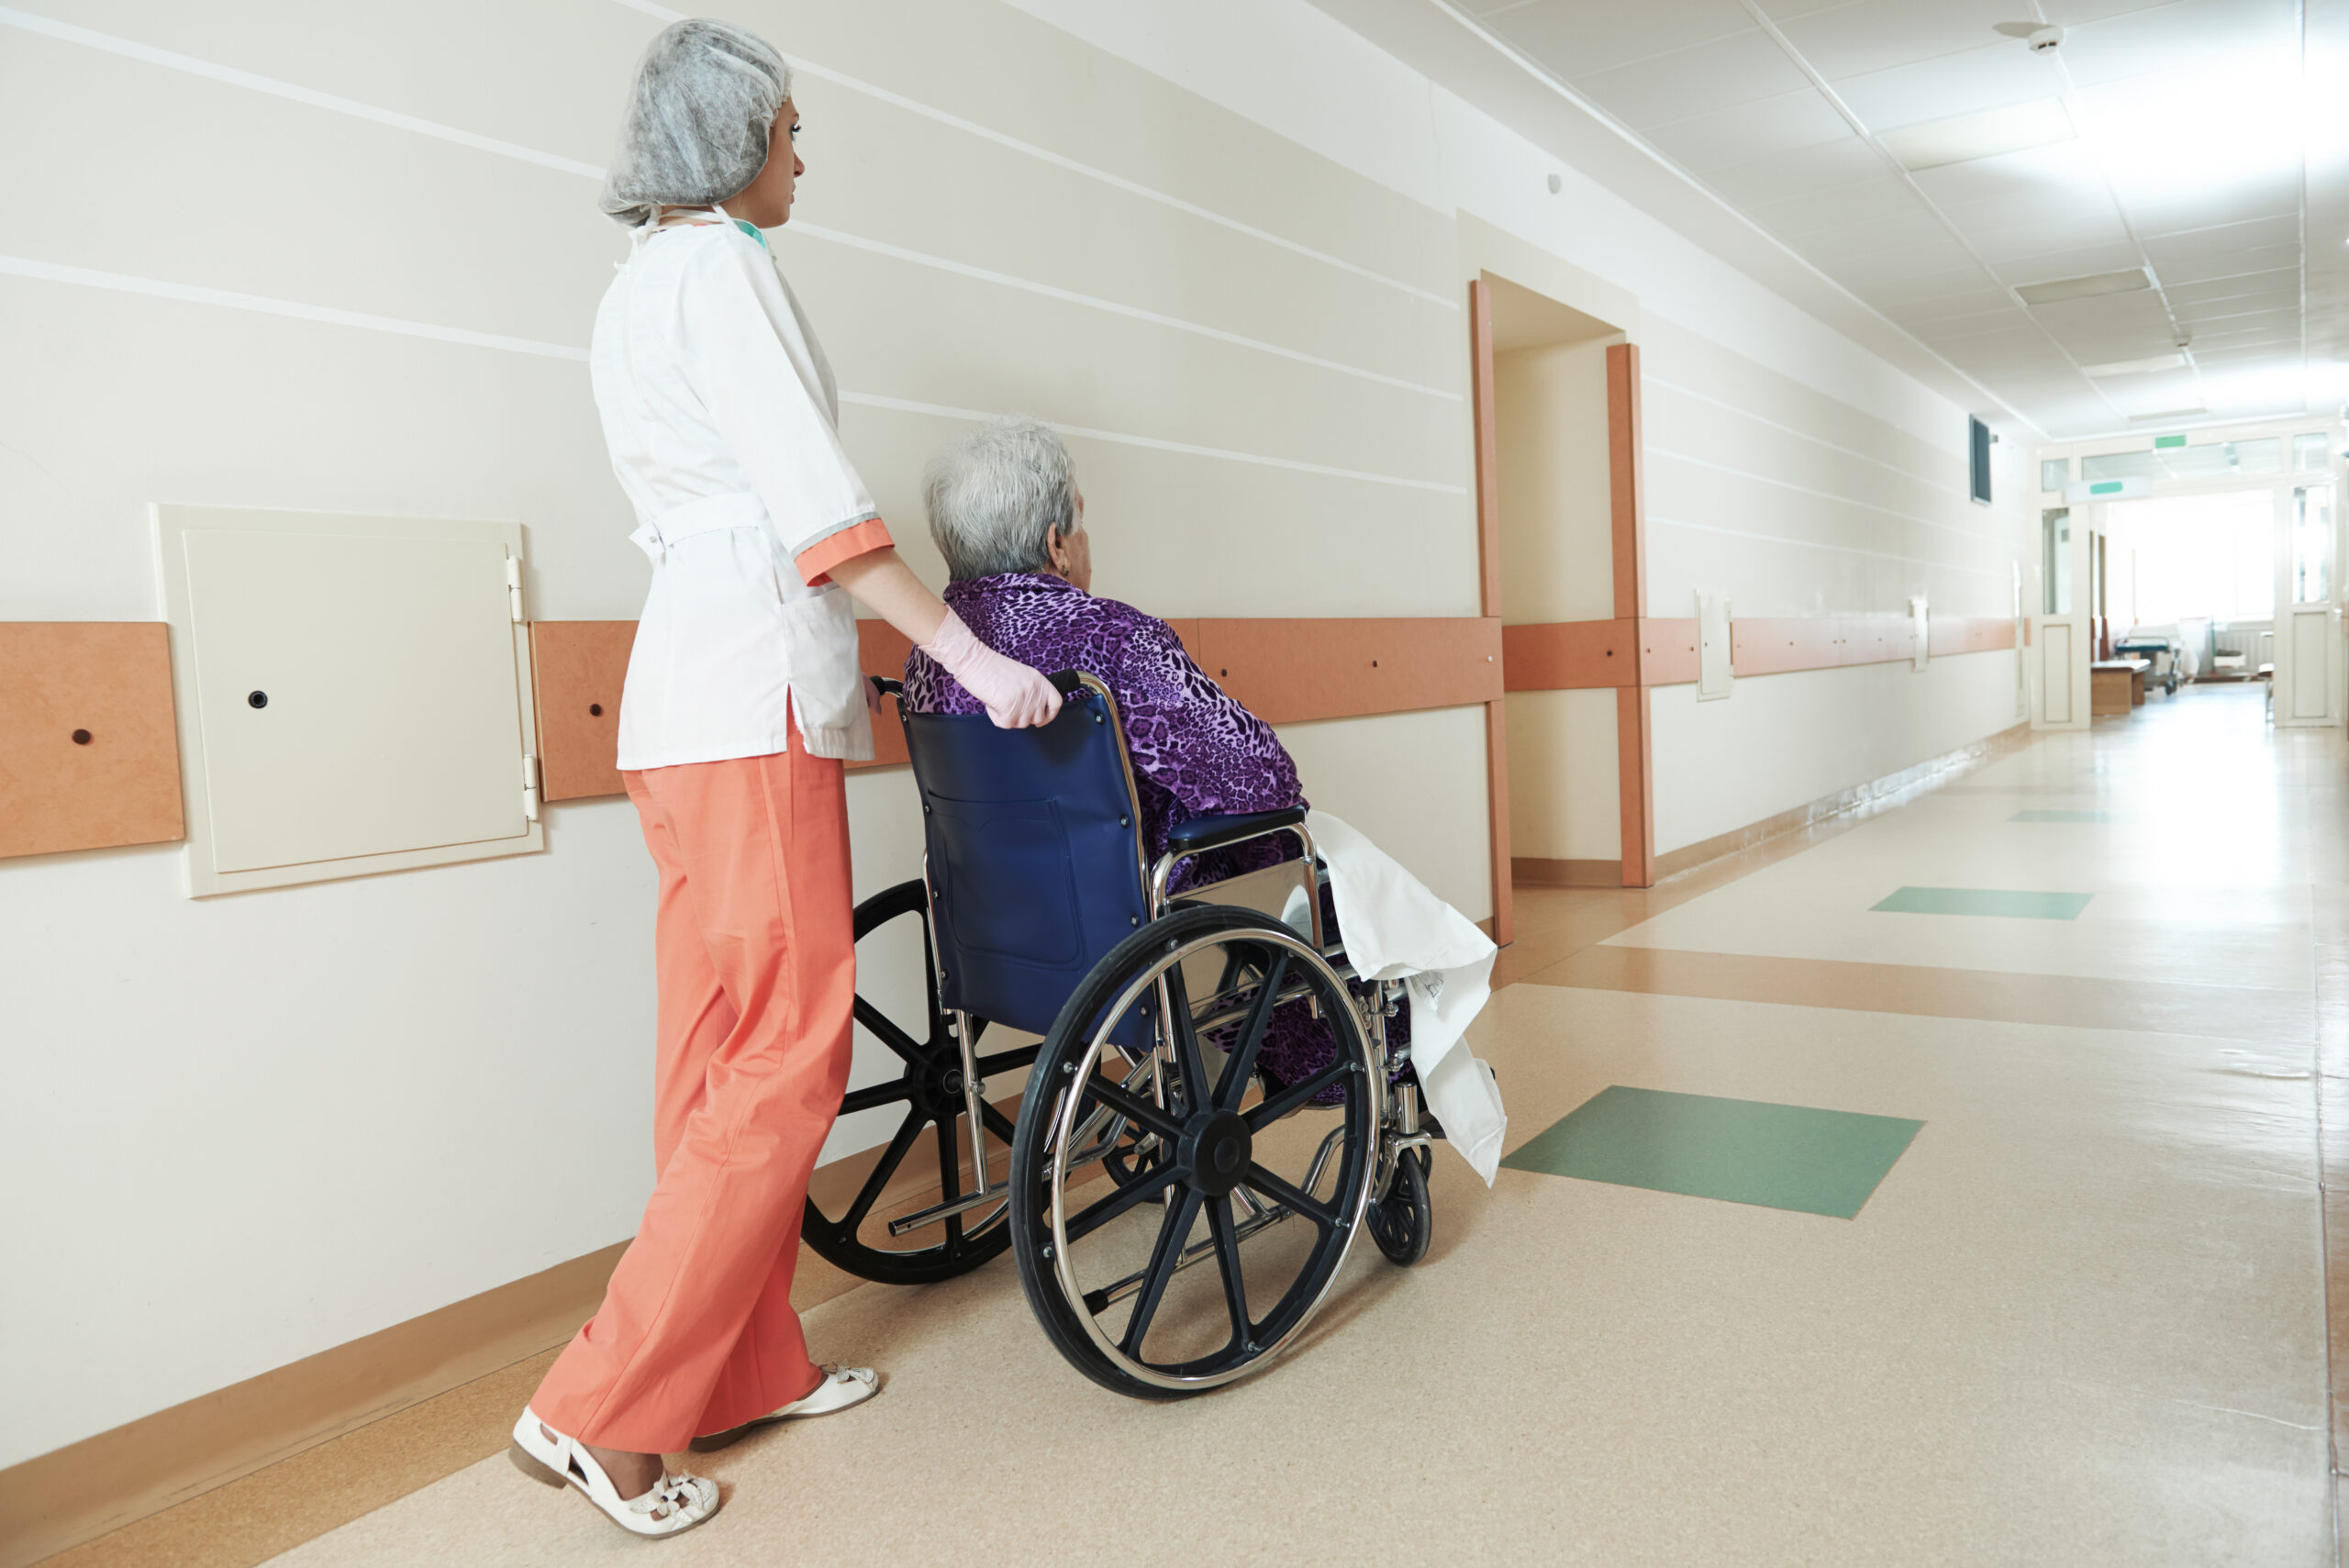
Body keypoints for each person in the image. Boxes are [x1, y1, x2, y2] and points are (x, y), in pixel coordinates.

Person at [507, 21, 1062, 1539]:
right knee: (789, 1056)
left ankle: (742, 1362)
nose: (803, 157)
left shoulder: (636, 285)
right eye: (790, 132)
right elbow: (818, 506)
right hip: (748, 702)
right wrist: (974, 655)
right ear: (730, 142)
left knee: (712, 1059)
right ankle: (599, 1406)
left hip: (679, 710)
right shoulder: (722, 269)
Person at [900, 417, 1411, 1103]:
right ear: (1056, 545)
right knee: (1324, 874)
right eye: (1080, 521)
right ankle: (1378, 1064)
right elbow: (1261, 781)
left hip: (997, 934)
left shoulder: (930, 660)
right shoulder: (1111, 639)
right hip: (1133, 930)